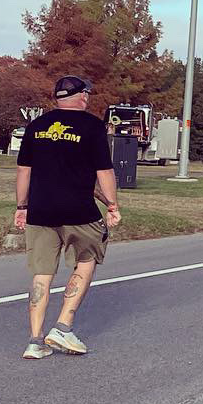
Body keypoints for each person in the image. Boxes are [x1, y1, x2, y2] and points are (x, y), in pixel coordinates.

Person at [13, 75, 121, 359]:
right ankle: (63, 326)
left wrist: (22, 206)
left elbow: (24, 170)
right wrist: (112, 205)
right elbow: (104, 171)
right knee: (86, 261)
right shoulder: (93, 126)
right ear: (83, 96)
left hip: (40, 211)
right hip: (80, 212)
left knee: (42, 274)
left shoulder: (36, 126)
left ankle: (35, 341)